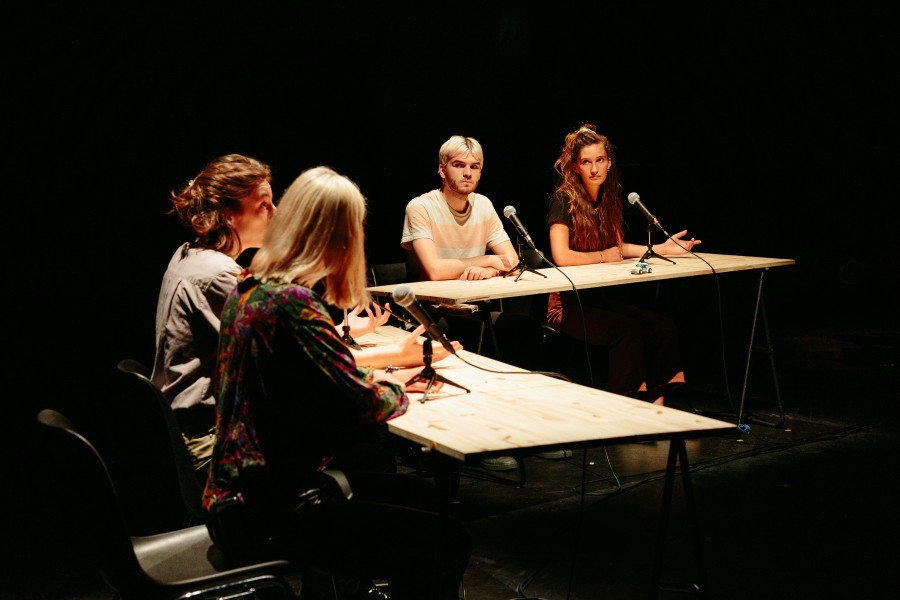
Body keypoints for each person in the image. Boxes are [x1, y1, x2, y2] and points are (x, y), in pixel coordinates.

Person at [203, 166, 470, 600]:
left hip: (239, 496)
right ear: (338, 235)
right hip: (268, 509)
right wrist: (397, 387)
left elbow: (317, 381)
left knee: (419, 497)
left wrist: (380, 379)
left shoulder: (250, 286)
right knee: (445, 541)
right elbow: (362, 406)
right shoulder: (291, 303)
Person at [151, 153, 460, 477]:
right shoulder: (232, 280)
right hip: (225, 452)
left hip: (217, 440)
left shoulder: (211, 265)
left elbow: (294, 360)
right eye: (264, 205)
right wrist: (393, 372)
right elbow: (326, 382)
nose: (275, 213)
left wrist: (345, 347)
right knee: (372, 456)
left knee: (365, 454)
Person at [546, 123, 700, 405]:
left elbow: (618, 249)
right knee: (627, 331)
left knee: (661, 327)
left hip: (598, 300)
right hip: (566, 306)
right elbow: (561, 256)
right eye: (586, 162)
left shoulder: (608, 199)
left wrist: (660, 249)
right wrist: (602, 257)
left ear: (609, 162)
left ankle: (657, 409)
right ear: (576, 167)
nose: (594, 169)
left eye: (600, 160)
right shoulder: (563, 199)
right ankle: (630, 408)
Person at [400, 135, 526, 471]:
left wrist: (491, 267)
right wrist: (488, 260)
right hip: (429, 313)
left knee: (523, 330)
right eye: (459, 165)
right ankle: (475, 443)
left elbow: (513, 261)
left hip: (471, 308)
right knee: (469, 335)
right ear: (442, 170)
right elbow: (435, 270)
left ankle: (521, 433)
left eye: (475, 166)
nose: (468, 173)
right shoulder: (421, 207)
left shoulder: (483, 205)